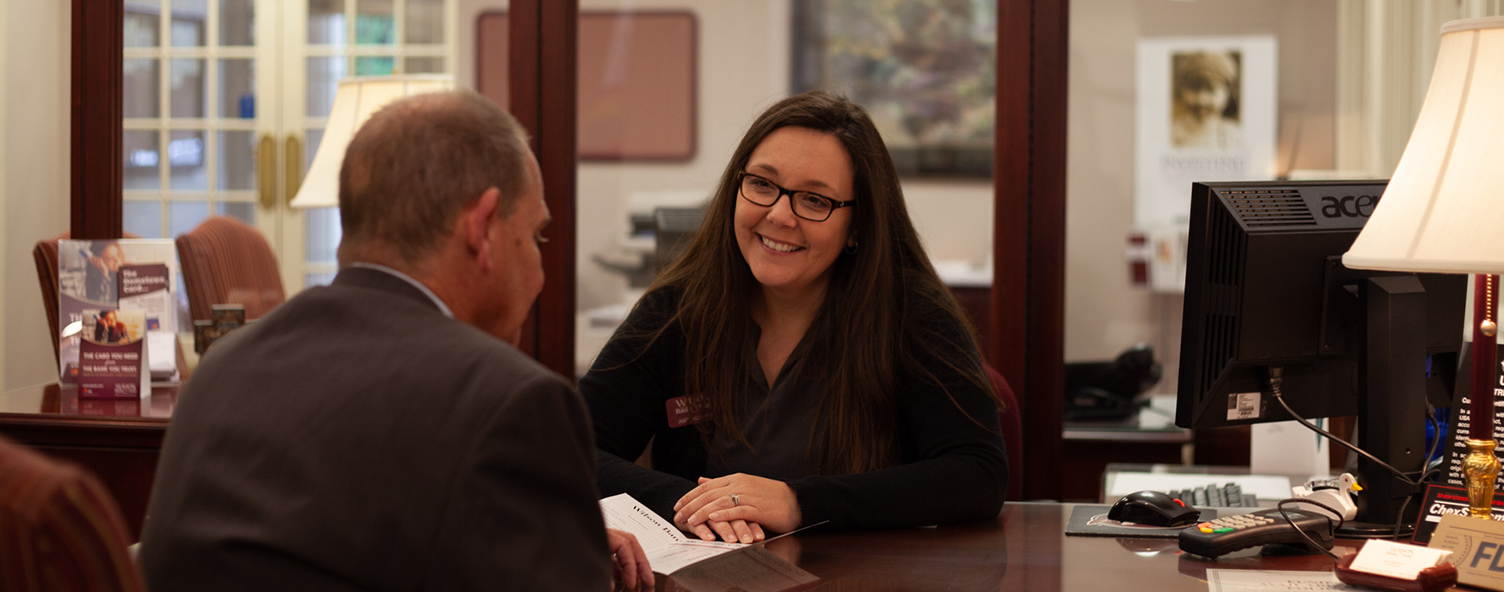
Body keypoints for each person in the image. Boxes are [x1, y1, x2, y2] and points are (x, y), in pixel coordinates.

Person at [139, 90, 653, 592]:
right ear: (483, 227)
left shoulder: (226, 362)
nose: (540, 271)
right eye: (536, 235)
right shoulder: (512, 401)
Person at [581, 91, 1006, 545]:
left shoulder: (910, 314)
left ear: (857, 227)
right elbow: (571, 447)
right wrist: (691, 503)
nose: (779, 215)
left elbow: (977, 473)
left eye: (814, 200)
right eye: (762, 184)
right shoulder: (676, 309)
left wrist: (798, 502)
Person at [1170, 51, 1242, 149]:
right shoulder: (1171, 133)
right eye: (1194, 89)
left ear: (1227, 94)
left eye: (1211, 91)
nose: (1202, 101)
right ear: (1182, 90)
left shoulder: (1234, 137)